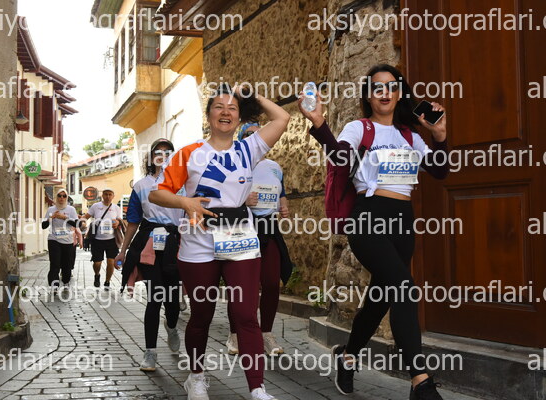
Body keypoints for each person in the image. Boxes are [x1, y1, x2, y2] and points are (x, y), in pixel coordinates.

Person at [299, 64, 449, 400]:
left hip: (402, 223)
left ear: (399, 93)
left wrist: (439, 136)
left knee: (380, 299)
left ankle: (348, 355)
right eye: (377, 87)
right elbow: (341, 157)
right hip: (368, 218)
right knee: (404, 288)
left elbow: (439, 170)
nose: (385, 93)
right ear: (369, 95)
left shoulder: (410, 136)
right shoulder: (359, 128)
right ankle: (420, 381)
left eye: (392, 87)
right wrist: (320, 124)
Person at [149, 86, 290, 400]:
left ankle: (257, 388)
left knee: (246, 315)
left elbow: (282, 118)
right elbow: (156, 193)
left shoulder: (249, 148)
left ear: (239, 117)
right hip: (198, 242)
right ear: (209, 115)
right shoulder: (189, 153)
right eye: (219, 107)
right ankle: (196, 377)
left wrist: (251, 95)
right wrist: (185, 202)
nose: (226, 112)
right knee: (202, 315)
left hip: (240, 239)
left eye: (233, 108)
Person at [114, 138, 183, 372]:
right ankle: (150, 352)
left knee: (172, 299)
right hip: (150, 244)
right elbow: (133, 221)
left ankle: (171, 326)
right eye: (158, 152)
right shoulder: (141, 186)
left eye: (168, 152)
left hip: (175, 244)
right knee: (155, 297)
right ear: (151, 157)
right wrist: (122, 251)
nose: (163, 156)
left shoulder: (184, 182)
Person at [226, 122, 293, 356]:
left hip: (268, 226)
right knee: (242, 285)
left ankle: (266, 334)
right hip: (243, 225)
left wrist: (283, 207)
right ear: (241, 140)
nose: (255, 139)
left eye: (259, 134)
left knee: (272, 282)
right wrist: (243, 201)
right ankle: (235, 334)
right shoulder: (234, 164)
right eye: (249, 135)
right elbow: (223, 196)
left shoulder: (274, 166)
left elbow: (281, 192)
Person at [81, 188, 123, 290]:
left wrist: (117, 222)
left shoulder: (116, 208)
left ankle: (107, 281)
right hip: (97, 240)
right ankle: (97, 274)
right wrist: (82, 222)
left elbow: (119, 220)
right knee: (97, 263)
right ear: (102, 196)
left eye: (110, 194)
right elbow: (86, 216)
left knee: (111, 262)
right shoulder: (96, 206)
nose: (107, 196)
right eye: (106, 194)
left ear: (113, 196)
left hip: (111, 239)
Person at [42, 188, 79, 290]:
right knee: (55, 263)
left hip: (67, 240)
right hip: (54, 239)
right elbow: (43, 226)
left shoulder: (71, 210)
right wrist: (51, 217)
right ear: (56, 197)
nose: (61, 198)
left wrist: (64, 218)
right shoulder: (51, 209)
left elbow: (77, 224)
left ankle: (66, 280)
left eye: (64, 196)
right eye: (59, 196)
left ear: (66, 198)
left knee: (66, 264)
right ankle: (54, 285)